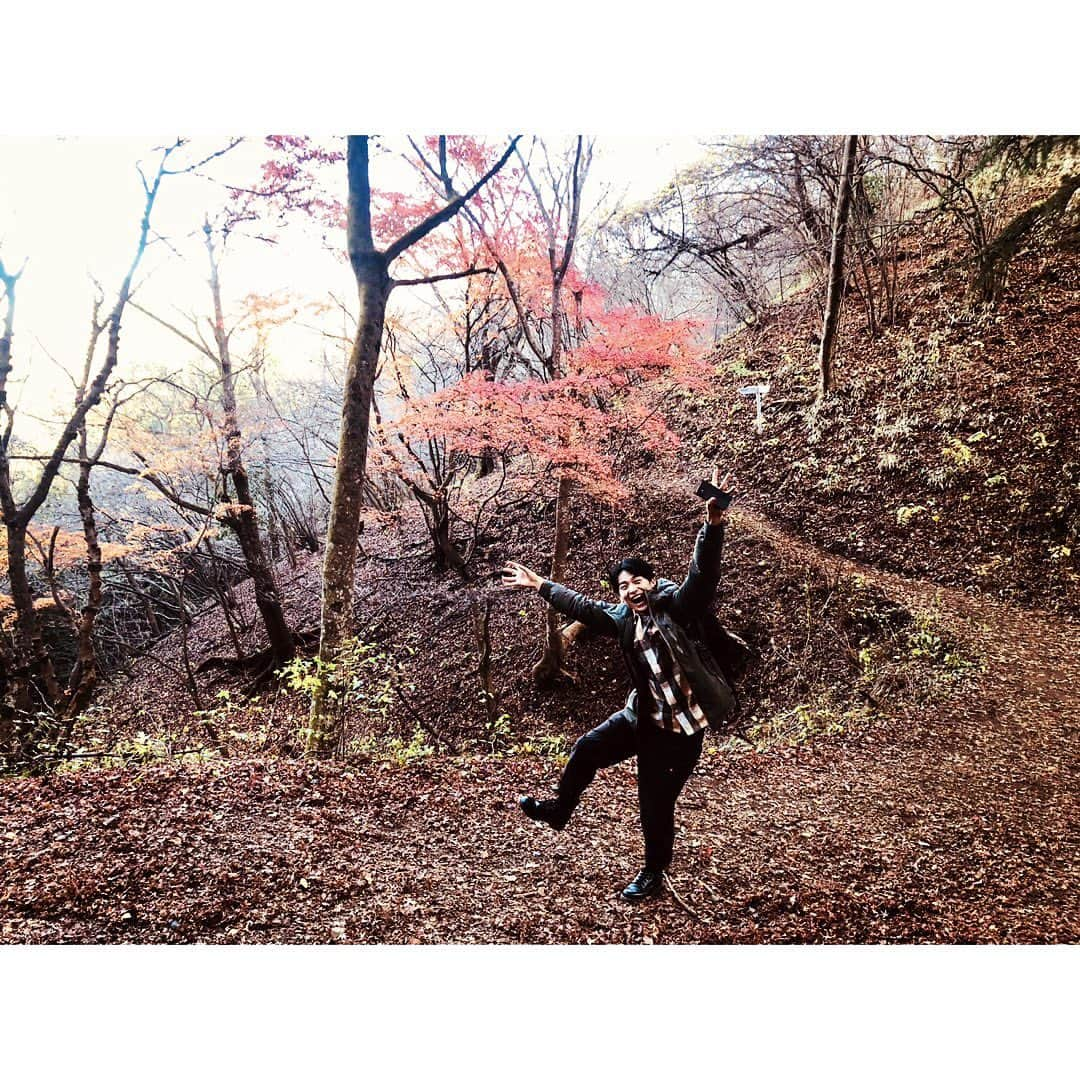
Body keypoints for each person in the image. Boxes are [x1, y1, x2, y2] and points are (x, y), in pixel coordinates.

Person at [501, 467, 735, 902]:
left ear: (652, 582)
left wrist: (712, 525)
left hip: (683, 732)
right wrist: (540, 585)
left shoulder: (679, 608)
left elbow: (702, 577)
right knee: (588, 747)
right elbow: (584, 607)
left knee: (655, 803)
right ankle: (558, 810)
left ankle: (652, 873)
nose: (630, 590)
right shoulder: (623, 618)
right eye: (622, 586)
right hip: (642, 717)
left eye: (637, 581)